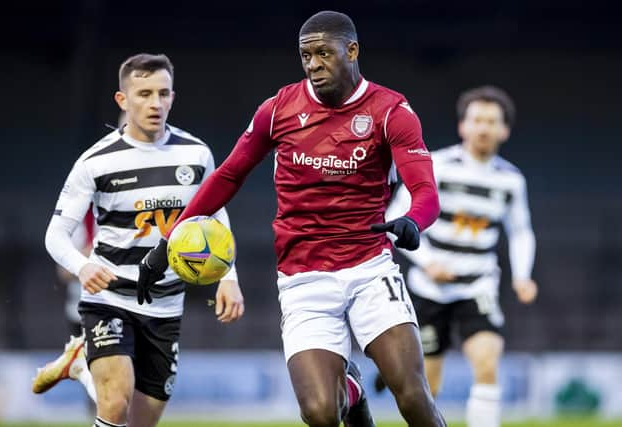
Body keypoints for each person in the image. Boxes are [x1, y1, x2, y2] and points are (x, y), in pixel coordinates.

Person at [138, 11, 446, 427]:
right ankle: (349, 390)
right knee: (320, 413)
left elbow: (425, 191)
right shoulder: (278, 109)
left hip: (370, 268)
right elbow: (228, 175)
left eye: (323, 53)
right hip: (304, 278)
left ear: (351, 50)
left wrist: (414, 220)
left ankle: (354, 387)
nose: (314, 64)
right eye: (306, 56)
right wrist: (167, 243)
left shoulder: (390, 110)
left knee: (412, 398)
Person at [35, 53, 245, 427]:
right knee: (116, 401)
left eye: (163, 93)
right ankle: (88, 366)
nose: (155, 103)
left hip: (166, 305)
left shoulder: (196, 155)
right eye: (144, 93)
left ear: (173, 97)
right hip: (110, 298)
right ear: (122, 100)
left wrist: (228, 278)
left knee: (141, 421)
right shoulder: (95, 162)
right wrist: (82, 267)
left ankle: (81, 368)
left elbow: (214, 215)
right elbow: (55, 235)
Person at [378, 86, 538, 427]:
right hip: (427, 289)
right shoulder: (436, 165)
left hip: (477, 285)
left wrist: (522, 276)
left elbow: (521, 230)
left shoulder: (510, 180)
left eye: (491, 122)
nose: (483, 128)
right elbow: (397, 216)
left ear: (504, 130)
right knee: (426, 385)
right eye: (477, 120)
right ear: (462, 126)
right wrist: (427, 261)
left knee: (487, 363)